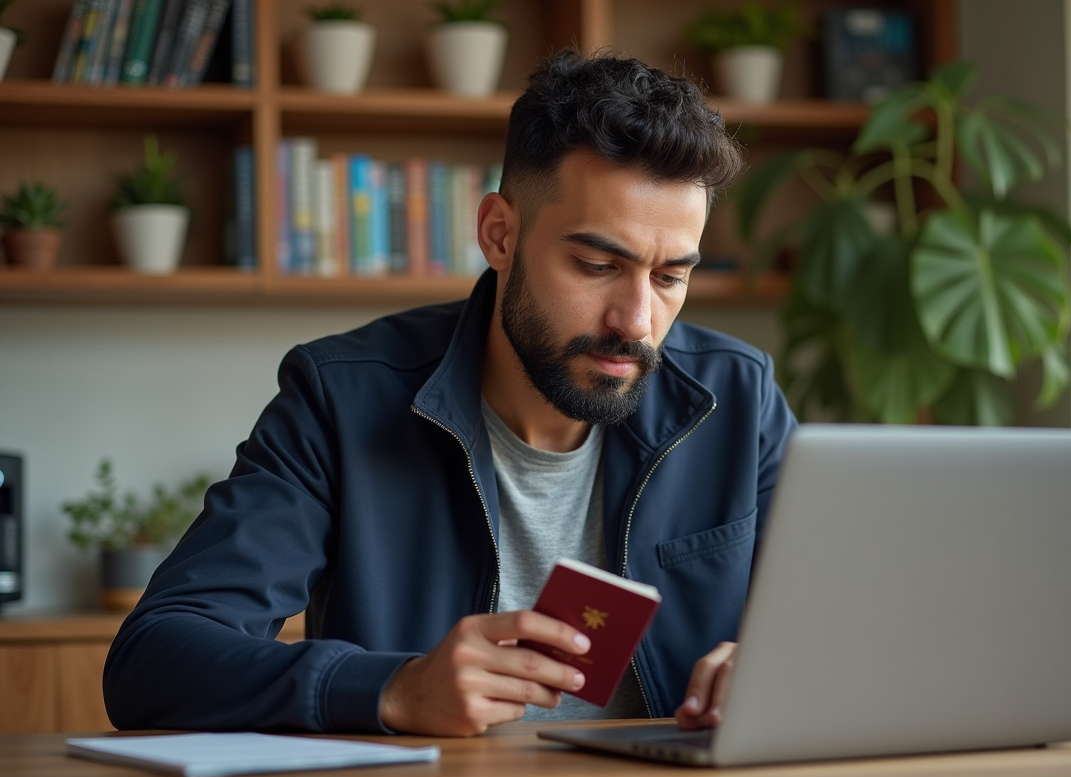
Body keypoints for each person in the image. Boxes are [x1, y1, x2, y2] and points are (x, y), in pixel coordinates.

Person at [104, 49, 798, 737]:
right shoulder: (340, 399)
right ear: (499, 235)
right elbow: (154, 658)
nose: (637, 321)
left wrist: (781, 667)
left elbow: (840, 624)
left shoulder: (740, 399)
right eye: (596, 265)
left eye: (671, 277)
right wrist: (394, 689)